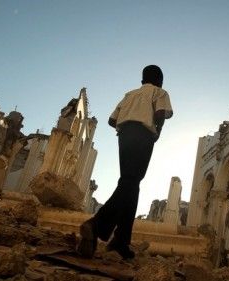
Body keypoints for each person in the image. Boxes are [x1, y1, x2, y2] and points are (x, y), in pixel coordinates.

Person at [77, 65, 173, 259]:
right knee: (131, 181)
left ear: (142, 80)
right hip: (144, 135)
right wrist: (157, 132)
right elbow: (162, 113)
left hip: (125, 136)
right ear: (159, 80)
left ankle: (121, 240)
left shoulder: (129, 94)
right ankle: (96, 225)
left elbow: (112, 120)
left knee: (130, 183)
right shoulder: (160, 92)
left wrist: (124, 127)